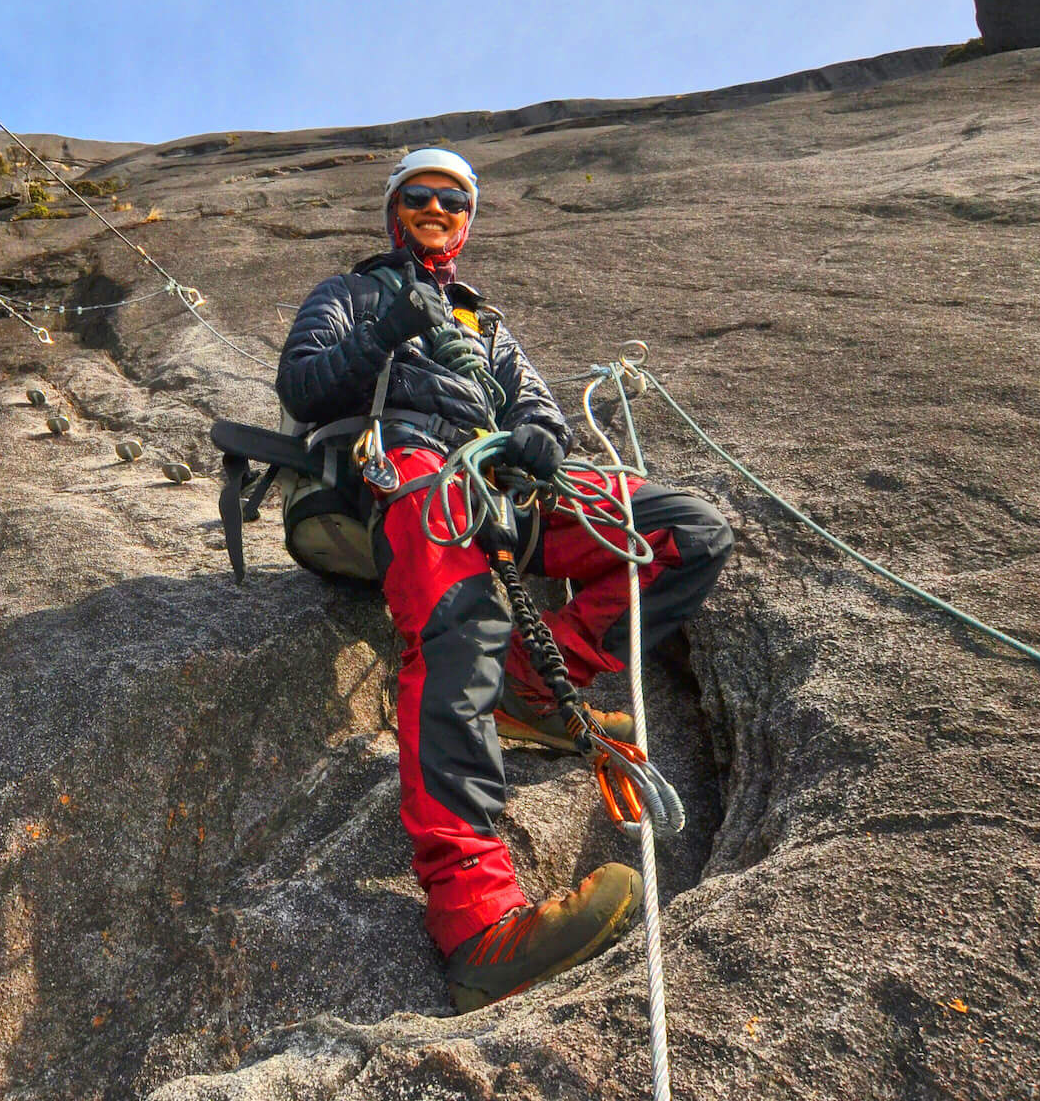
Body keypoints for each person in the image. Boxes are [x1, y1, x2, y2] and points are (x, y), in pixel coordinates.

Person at [275, 147, 734, 1013]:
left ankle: (528, 685)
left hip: (505, 486)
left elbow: (538, 407)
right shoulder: (351, 292)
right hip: (408, 464)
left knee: (688, 530)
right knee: (457, 624)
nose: (440, 209)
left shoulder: (489, 324)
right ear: (394, 208)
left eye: (456, 200)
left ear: (470, 217)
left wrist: (540, 441)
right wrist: (385, 332)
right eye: (422, 196)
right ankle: (476, 920)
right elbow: (302, 385)